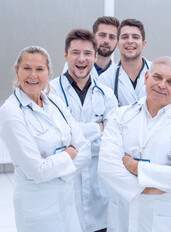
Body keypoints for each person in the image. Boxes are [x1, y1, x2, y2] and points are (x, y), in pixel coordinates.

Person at [98, 56, 171, 232]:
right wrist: (147, 188)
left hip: (163, 222)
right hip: (123, 216)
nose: (162, 85)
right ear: (146, 78)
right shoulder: (120, 116)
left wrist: (133, 166)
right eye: (157, 77)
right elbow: (106, 166)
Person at [0, 46, 90, 232]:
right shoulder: (10, 112)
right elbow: (37, 171)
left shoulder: (54, 101)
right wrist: (70, 152)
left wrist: (52, 162)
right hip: (37, 208)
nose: (33, 75)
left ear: (48, 72)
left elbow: (85, 150)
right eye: (26, 68)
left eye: (40, 69)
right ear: (17, 71)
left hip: (67, 201)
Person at [50, 29, 118, 232]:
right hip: (64, 185)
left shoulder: (106, 95)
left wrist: (73, 136)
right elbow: (55, 139)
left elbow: (113, 137)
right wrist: (98, 127)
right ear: (65, 55)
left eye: (88, 53)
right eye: (75, 53)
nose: (81, 59)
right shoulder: (50, 92)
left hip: (100, 189)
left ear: (96, 57)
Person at [99, 18, 152, 106]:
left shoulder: (158, 74)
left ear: (144, 44)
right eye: (125, 37)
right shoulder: (106, 80)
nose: (130, 41)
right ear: (117, 44)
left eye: (135, 37)